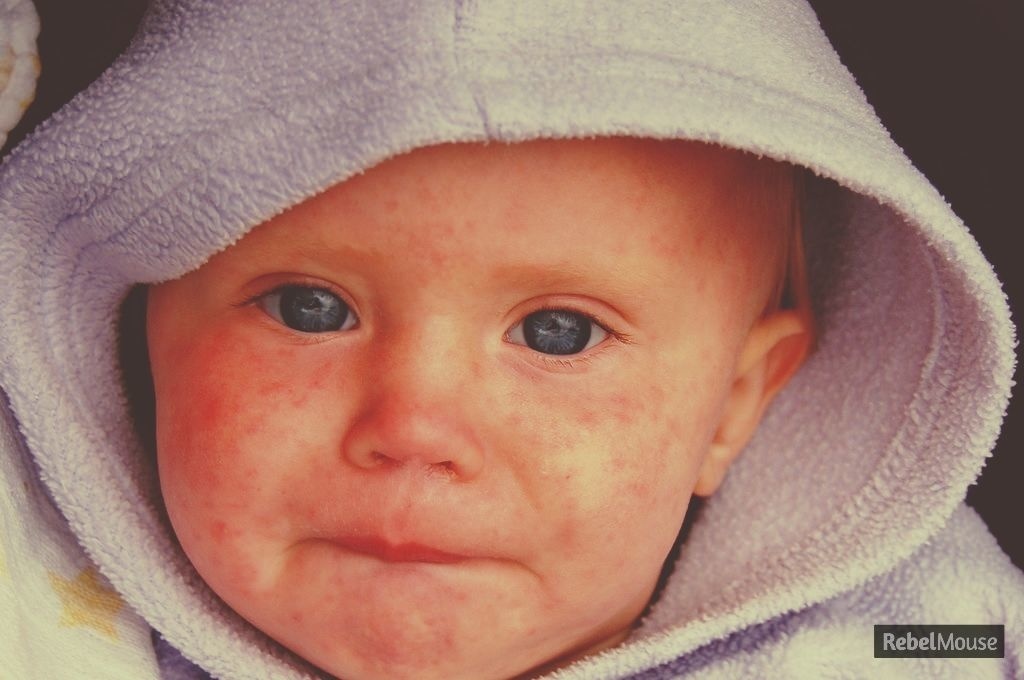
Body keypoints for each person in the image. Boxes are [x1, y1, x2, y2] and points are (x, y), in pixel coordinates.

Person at [0, 1, 1019, 679]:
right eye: (309, 309)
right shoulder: (38, 600)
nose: (415, 427)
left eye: (557, 332)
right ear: (135, 320)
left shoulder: (906, 636)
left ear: (734, 405)